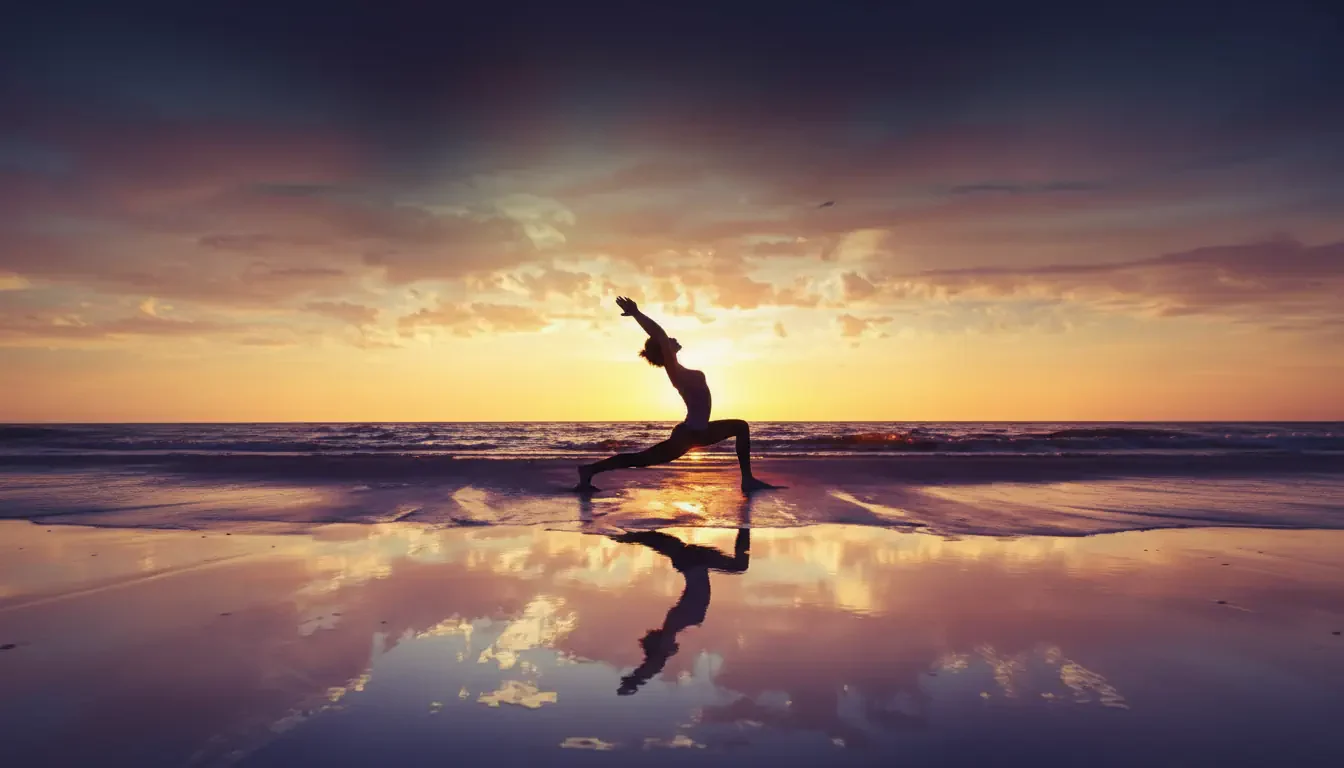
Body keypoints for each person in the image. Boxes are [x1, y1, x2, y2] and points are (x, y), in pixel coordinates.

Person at [575, 296, 778, 492]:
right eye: (668, 341)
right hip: (690, 434)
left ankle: (748, 480)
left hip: (698, 430)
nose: (672, 338)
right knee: (640, 459)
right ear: (664, 351)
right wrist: (637, 314)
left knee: (741, 427)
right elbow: (660, 335)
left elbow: (662, 338)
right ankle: (589, 470)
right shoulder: (674, 371)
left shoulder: (680, 369)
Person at [611, 527, 750, 696]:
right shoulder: (677, 623)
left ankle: (745, 523)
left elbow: (655, 663)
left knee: (740, 565)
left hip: (694, 561)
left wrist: (636, 680)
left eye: (665, 649)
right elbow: (657, 659)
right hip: (691, 562)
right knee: (651, 540)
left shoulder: (674, 624)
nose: (671, 650)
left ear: (661, 644)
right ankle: (628, 535)